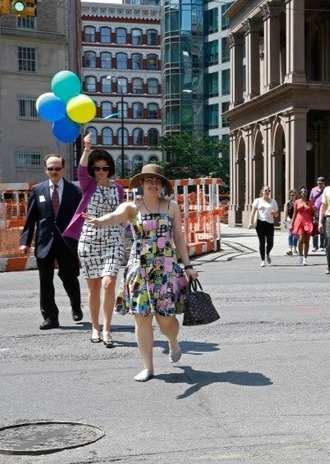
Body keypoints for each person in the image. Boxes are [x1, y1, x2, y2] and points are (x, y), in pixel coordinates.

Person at [85, 164, 198, 381]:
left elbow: (179, 238)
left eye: (157, 181)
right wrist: (99, 221)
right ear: (141, 184)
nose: (153, 185)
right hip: (139, 270)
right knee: (141, 318)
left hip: (165, 270)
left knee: (166, 320)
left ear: (162, 185)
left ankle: (173, 341)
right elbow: (115, 217)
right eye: (149, 181)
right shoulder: (131, 207)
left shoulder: (171, 206)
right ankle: (148, 367)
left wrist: (189, 266)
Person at [73, 134, 125, 347]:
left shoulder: (119, 188)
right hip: (89, 240)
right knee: (94, 288)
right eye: (97, 168)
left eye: (105, 168)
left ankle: (107, 329)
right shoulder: (88, 185)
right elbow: (80, 170)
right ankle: (95, 326)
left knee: (109, 282)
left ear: (110, 168)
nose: (101, 172)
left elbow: (122, 212)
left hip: (113, 238)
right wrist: (87, 148)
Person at [19, 154, 83, 330]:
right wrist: (25, 241)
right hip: (44, 242)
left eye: (57, 168)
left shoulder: (74, 190)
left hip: (67, 242)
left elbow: (80, 219)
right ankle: (50, 317)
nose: (54, 172)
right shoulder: (38, 190)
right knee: (45, 281)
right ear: (45, 170)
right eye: (50, 168)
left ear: (63, 168)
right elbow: (31, 218)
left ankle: (76, 306)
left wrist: (81, 239)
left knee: (69, 277)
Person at [248, 186, 279, 267]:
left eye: (269, 190)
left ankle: (267, 253)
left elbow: (276, 214)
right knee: (262, 242)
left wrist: (274, 214)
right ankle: (262, 260)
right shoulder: (257, 201)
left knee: (270, 243)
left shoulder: (273, 201)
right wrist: (250, 223)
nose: (267, 191)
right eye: (266, 190)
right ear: (262, 191)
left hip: (270, 223)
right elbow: (253, 212)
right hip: (260, 223)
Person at [291, 187, 314, 265]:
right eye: (302, 191)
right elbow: (294, 213)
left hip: (308, 222)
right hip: (299, 221)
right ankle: (300, 255)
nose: (303, 192)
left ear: (307, 193)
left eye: (305, 191)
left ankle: (305, 258)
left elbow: (313, 213)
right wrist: (292, 223)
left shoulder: (310, 202)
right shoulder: (297, 202)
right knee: (301, 239)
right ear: (300, 193)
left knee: (307, 240)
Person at [309, 177, 326, 252]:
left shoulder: (327, 190)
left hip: (324, 212)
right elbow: (311, 200)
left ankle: (322, 246)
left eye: (321, 183)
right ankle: (315, 246)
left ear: (324, 183)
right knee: (315, 229)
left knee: (323, 229)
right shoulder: (313, 190)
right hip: (315, 212)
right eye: (318, 183)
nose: (320, 184)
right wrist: (312, 209)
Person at [284, 189, 299, 256]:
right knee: (290, 235)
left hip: (296, 220)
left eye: (293, 195)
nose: (292, 196)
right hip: (289, 220)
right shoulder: (288, 203)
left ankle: (295, 248)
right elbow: (286, 212)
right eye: (291, 195)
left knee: (295, 235)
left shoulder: (298, 202)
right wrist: (285, 221)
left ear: (296, 195)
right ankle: (290, 249)